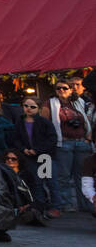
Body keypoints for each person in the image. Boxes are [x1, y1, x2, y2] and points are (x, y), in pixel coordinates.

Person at [50, 80, 94, 212]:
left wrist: (88, 137)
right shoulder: (51, 104)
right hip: (63, 143)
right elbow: (46, 123)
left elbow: (89, 120)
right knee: (63, 176)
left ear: (70, 90)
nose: (61, 90)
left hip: (82, 142)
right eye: (58, 88)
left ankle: (86, 205)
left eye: (64, 88)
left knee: (83, 176)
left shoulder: (80, 103)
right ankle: (67, 204)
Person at [14, 96, 60, 218]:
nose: (29, 109)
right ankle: (39, 206)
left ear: (38, 108)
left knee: (51, 182)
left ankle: (55, 207)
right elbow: (16, 139)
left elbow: (52, 139)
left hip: (45, 156)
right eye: (26, 106)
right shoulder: (20, 121)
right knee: (36, 182)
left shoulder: (44, 122)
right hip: (29, 156)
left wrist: (37, 150)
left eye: (32, 107)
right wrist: (23, 149)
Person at [2, 149, 48, 226]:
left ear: (19, 161)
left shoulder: (26, 174)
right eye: (7, 158)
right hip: (8, 202)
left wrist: (28, 205)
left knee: (36, 206)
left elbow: (33, 191)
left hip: (24, 203)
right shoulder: (0, 172)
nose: (10, 160)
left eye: (13, 159)